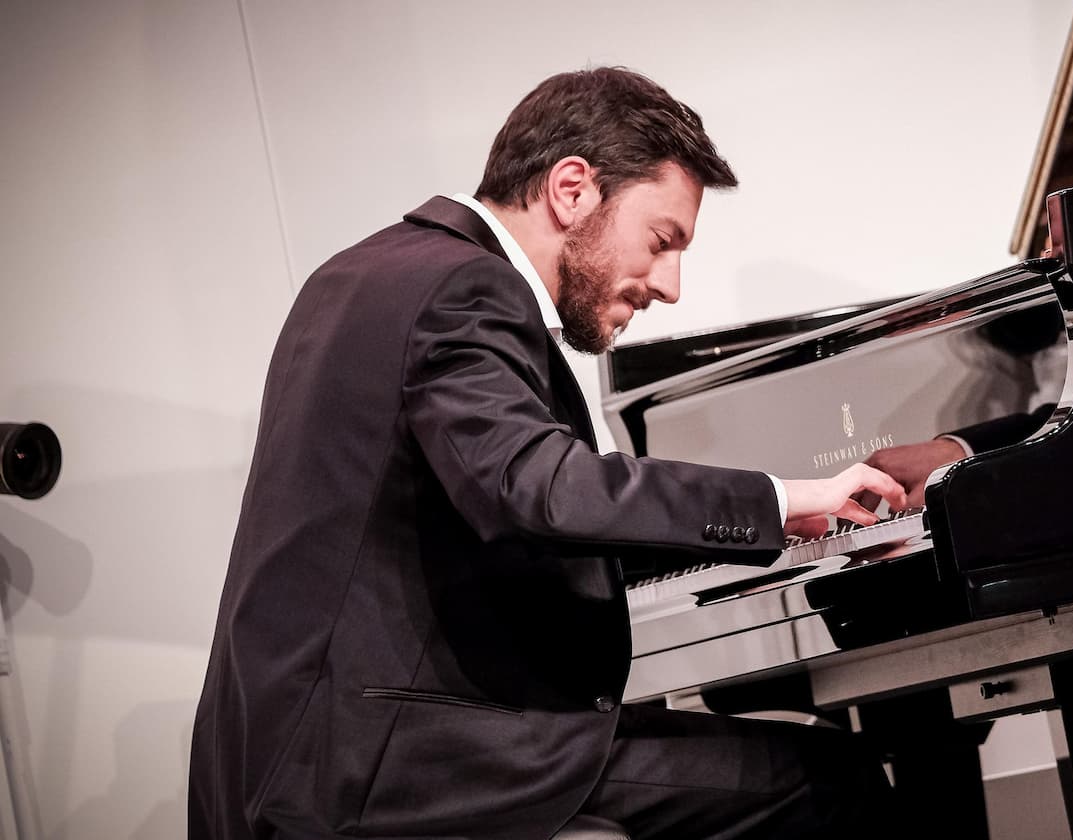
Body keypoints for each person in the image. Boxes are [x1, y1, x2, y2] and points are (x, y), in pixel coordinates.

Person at [188, 67, 907, 840]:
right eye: (662, 241)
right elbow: (537, 490)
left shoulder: (363, 273)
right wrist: (779, 501)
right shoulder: (463, 288)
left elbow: (478, 519)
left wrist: (729, 539)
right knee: (838, 782)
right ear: (572, 189)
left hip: (300, 758)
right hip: (392, 774)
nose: (670, 285)